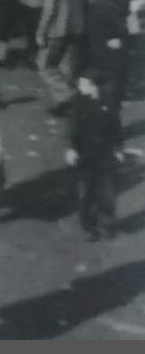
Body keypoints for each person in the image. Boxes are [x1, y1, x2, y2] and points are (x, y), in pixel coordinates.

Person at [65, 75, 120, 241]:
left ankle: (106, 224)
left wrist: (118, 148)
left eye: (84, 83)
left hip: (104, 154)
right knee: (86, 193)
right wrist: (72, 148)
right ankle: (89, 226)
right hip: (85, 154)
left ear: (94, 86)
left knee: (107, 192)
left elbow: (116, 127)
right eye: (80, 82)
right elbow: (73, 127)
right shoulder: (78, 102)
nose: (80, 86)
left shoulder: (109, 102)